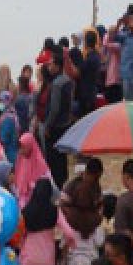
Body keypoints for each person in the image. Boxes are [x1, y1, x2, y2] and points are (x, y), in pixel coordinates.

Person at [43, 53, 74, 187]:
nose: (49, 67)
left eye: (51, 64)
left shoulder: (57, 84)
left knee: (53, 157)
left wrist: (47, 125)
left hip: (55, 125)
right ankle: (63, 180)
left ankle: (57, 183)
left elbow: (54, 108)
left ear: (57, 66)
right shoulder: (68, 80)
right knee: (62, 157)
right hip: (65, 122)